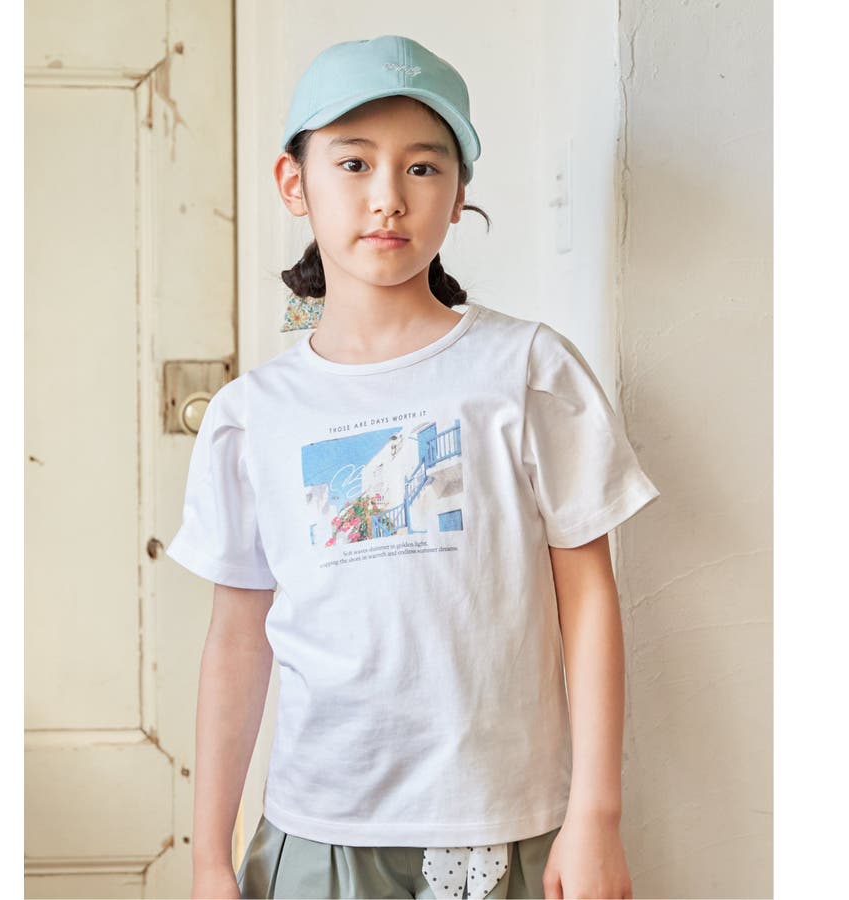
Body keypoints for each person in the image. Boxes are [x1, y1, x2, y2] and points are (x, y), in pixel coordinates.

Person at [166, 34, 660, 900]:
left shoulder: (528, 371)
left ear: (459, 192)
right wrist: (209, 856)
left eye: (423, 168)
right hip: (318, 829)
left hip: (507, 823)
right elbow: (237, 639)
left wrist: (596, 814)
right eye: (354, 163)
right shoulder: (252, 417)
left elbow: (587, 594)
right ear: (295, 182)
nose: (388, 197)